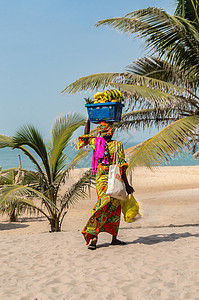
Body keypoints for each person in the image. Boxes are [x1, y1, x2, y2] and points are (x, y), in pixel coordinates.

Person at [77, 119, 134, 250]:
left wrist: (89, 120)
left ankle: (97, 235)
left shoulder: (96, 143)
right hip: (115, 178)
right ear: (111, 133)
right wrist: (127, 184)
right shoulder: (117, 145)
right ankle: (104, 236)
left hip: (101, 178)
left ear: (100, 133)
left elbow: (85, 136)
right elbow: (121, 166)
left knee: (102, 204)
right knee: (114, 206)